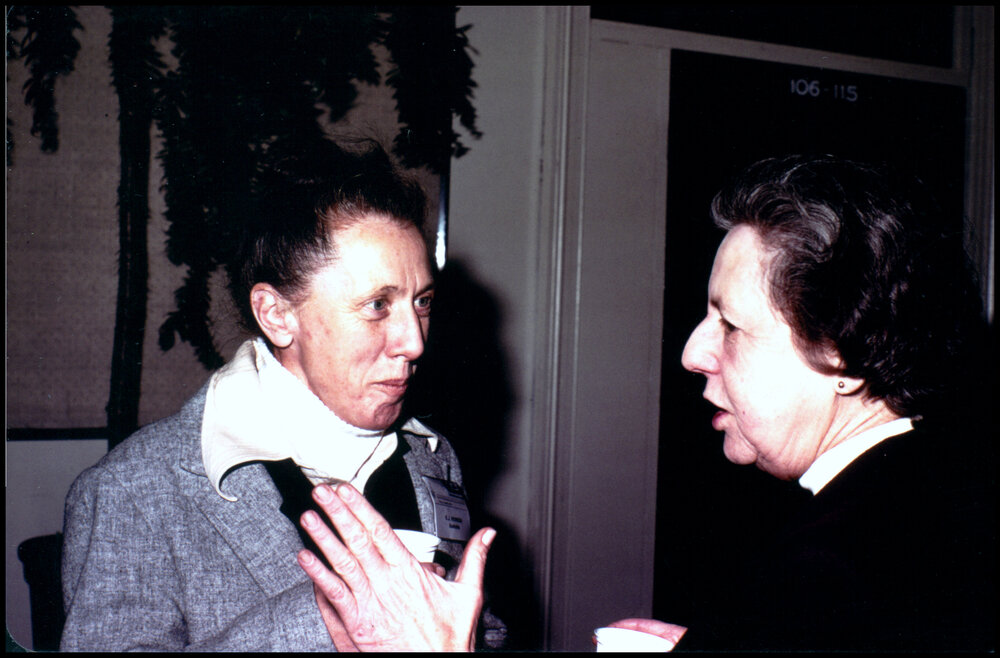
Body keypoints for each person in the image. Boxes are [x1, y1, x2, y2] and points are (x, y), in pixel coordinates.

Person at [59, 140, 506, 651]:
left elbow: (486, 632)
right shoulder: (134, 491)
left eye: (421, 301)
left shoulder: (432, 458)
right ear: (276, 315)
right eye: (378, 305)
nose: (415, 342)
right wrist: (325, 620)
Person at [606, 154, 994, 651]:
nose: (692, 354)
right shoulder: (935, 507)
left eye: (730, 325)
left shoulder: (830, 569)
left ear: (843, 355)